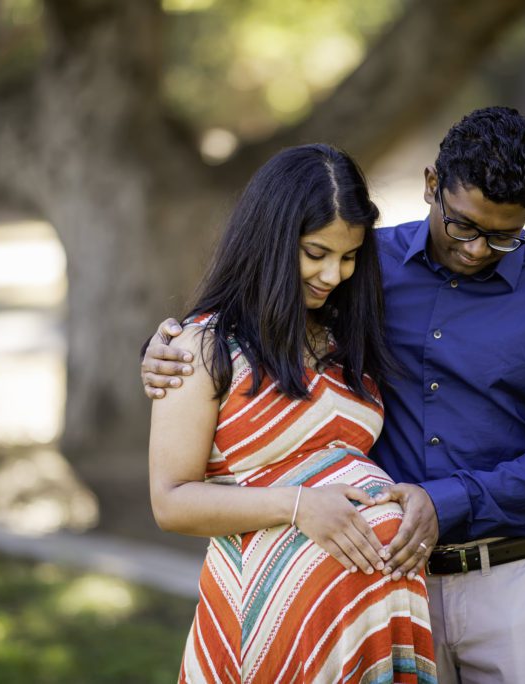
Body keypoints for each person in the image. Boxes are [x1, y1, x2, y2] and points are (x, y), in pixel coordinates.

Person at [143, 108, 525, 683]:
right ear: (431, 185)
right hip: (377, 590)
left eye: (505, 236)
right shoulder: (363, 265)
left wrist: (445, 501)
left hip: (507, 583)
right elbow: (254, 326)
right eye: (463, 226)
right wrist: (164, 348)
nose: (477, 250)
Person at [147, 143, 436, 683]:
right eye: (316, 252)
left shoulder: (345, 338)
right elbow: (170, 502)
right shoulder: (203, 348)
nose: (332, 274)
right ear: (273, 238)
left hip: (368, 619)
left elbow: (347, 457)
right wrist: (299, 506)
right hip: (268, 618)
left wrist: (405, 494)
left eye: (348, 257)